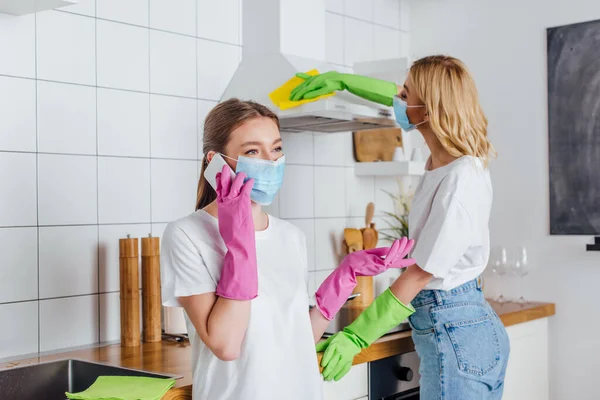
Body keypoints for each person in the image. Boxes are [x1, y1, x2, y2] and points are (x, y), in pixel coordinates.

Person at [160, 98, 415, 400]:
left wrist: (345, 276)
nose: (270, 161)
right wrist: (240, 246)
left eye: (277, 148)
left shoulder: (291, 236)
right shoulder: (186, 235)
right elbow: (226, 345)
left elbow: (296, 341)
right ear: (216, 161)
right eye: (253, 151)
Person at [292, 55, 510, 399]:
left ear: (429, 110)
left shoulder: (459, 179)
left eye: (406, 95)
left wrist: (355, 336)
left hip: (454, 328)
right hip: (460, 324)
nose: (397, 100)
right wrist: (342, 81)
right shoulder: (446, 163)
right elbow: (393, 93)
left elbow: (420, 275)